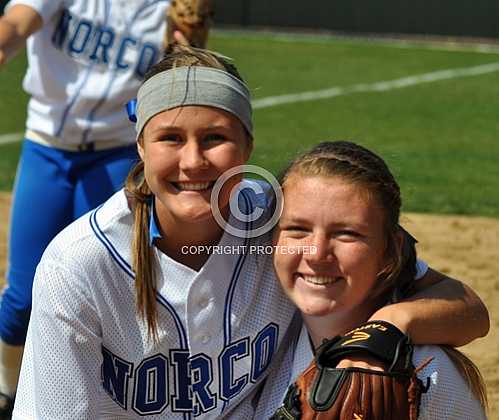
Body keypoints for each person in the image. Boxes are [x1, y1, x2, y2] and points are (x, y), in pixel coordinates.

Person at [12, 47, 489, 419]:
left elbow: (467, 309)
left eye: (215, 138)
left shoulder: (280, 225)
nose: (194, 161)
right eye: (171, 138)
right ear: (140, 146)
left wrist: (389, 328)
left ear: (247, 146)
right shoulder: (79, 265)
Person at [0, 0, 184, 415]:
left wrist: (186, 45)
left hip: (116, 154)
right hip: (46, 149)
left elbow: (180, 75)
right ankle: (7, 389)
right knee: (22, 296)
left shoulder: (165, 9)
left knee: (121, 287)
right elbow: (18, 21)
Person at [255, 140, 487, 419]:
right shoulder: (267, 338)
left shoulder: (420, 374)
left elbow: (473, 310)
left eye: (347, 234)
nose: (317, 253)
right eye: (297, 229)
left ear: (390, 251)